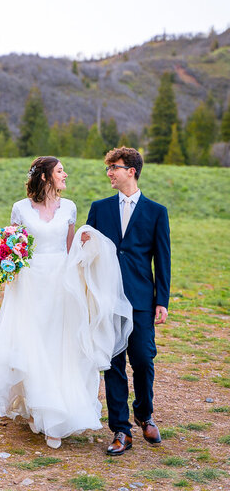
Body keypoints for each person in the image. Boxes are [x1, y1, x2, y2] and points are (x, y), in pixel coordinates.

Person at [0, 156, 132, 449]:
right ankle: (37, 407)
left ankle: (56, 416)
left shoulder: (70, 207)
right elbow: (15, 246)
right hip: (29, 285)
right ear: (45, 177)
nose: (66, 174)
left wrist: (88, 246)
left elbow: (70, 251)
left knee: (58, 344)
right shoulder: (20, 208)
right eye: (60, 171)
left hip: (61, 284)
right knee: (33, 343)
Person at [85, 146, 171, 456]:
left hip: (140, 300)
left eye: (114, 168)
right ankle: (121, 429)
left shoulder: (156, 212)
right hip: (106, 299)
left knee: (144, 359)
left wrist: (162, 299)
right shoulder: (99, 208)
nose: (109, 173)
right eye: (108, 168)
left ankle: (144, 414)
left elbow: (163, 259)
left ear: (131, 171)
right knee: (113, 365)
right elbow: (88, 254)